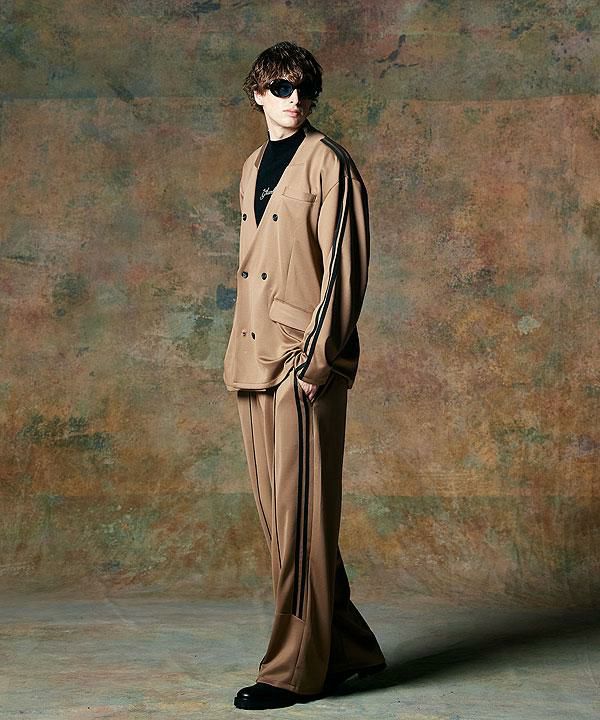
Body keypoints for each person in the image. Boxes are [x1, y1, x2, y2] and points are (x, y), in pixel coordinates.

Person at [223, 41, 386, 711]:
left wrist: (319, 363)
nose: (296, 100)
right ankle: (348, 650)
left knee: (301, 524)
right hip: (252, 359)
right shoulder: (252, 165)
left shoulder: (328, 163)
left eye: (305, 90)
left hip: (301, 364)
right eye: (282, 88)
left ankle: (293, 671)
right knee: (283, 520)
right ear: (258, 93)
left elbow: (345, 268)